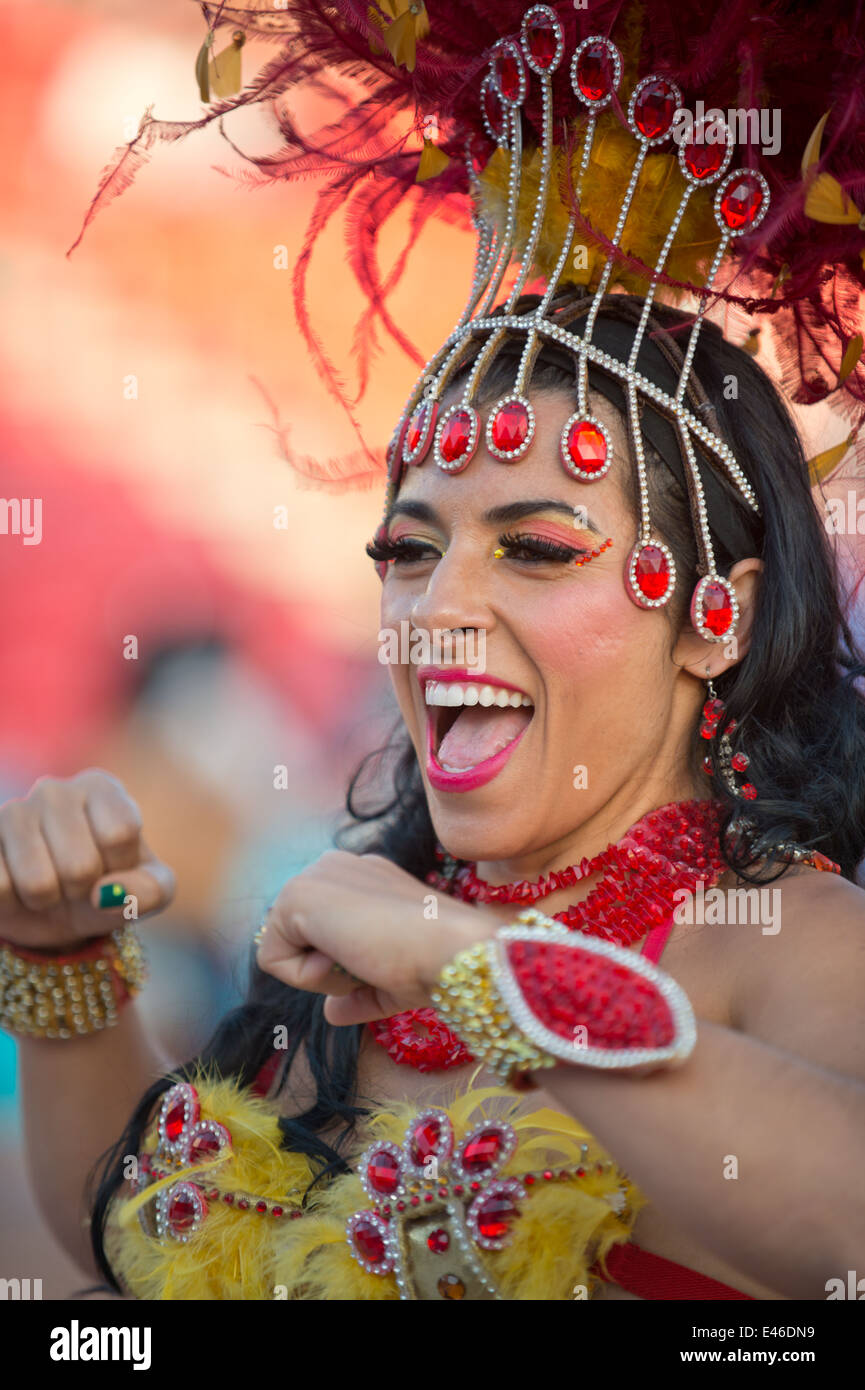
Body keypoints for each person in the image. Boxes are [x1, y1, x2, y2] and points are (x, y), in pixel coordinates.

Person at [5, 1, 865, 1301]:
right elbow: (131, 1252)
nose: (432, 610)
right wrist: (65, 967)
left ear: (713, 616)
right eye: (408, 551)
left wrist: (471, 973)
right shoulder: (357, 932)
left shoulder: (791, 941)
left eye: (533, 548)